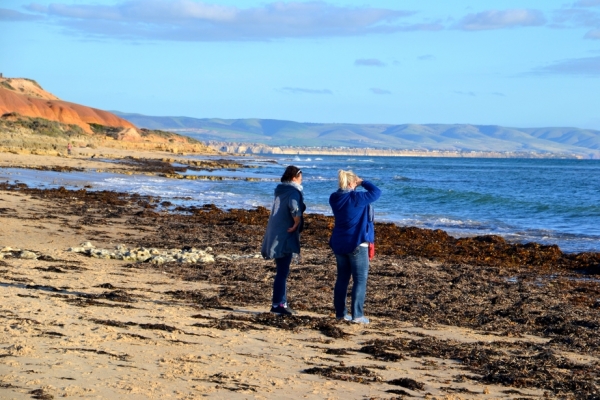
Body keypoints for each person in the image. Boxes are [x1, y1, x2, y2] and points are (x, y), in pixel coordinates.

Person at [329, 170, 381, 324]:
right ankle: (357, 315)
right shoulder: (356, 198)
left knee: (342, 279)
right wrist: (363, 182)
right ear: (352, 183)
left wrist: (356, 183)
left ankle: (340, 313)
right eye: (355, 182)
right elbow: (376, 192)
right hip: (356, 242)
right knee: (360, 279)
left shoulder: (334, 198)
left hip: (339, 243)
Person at [261, 165, 306, 315]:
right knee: (282, 271)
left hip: (275, 233)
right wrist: (296, 222)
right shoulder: (293, 191)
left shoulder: (280, 191)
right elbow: (294, 207)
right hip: (284, 235)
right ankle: (278, 304)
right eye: (300, 177)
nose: (302, 180)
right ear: (294, 178)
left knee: (281, 270)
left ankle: (280, 303)